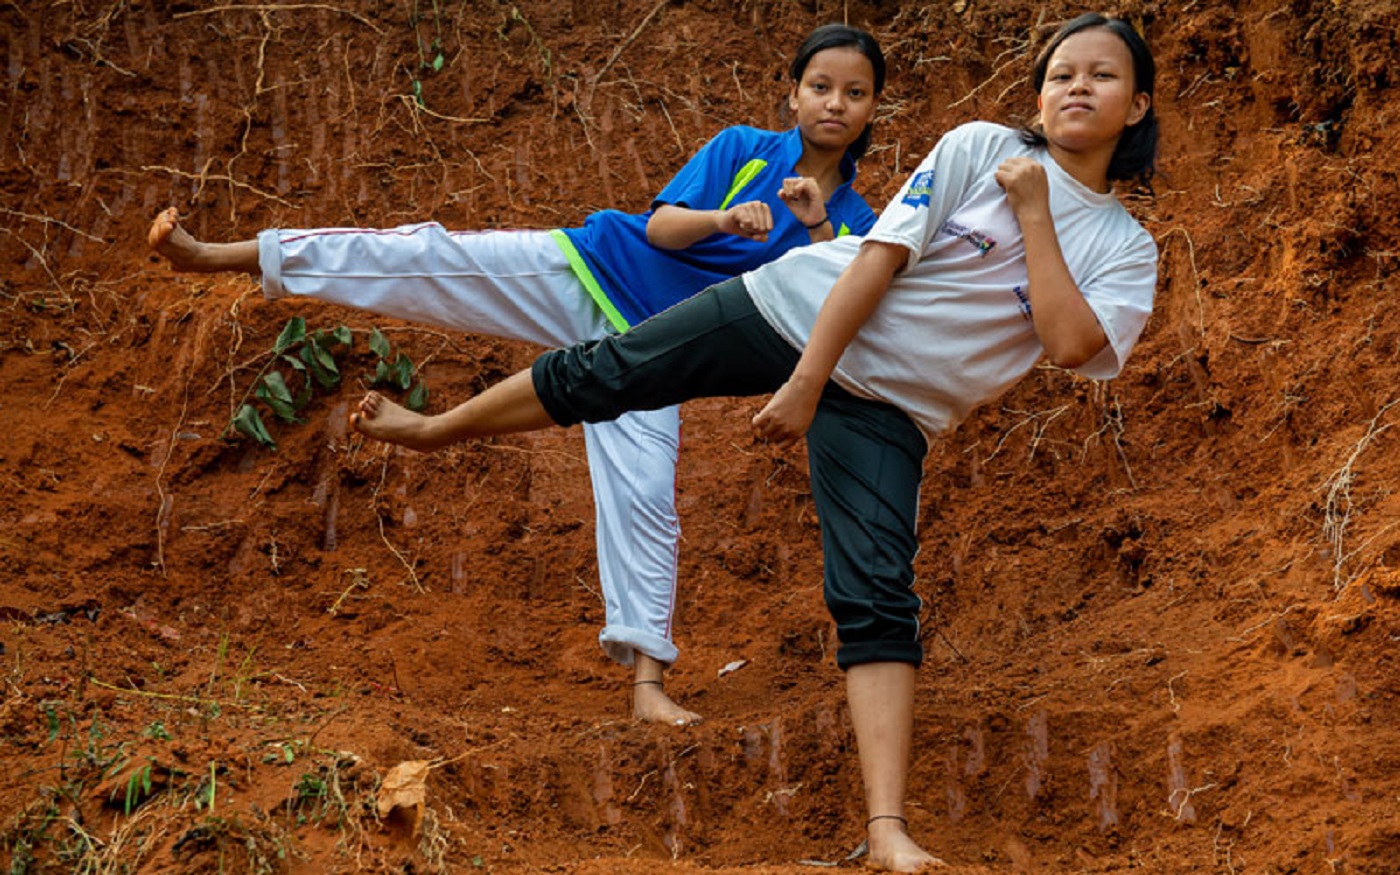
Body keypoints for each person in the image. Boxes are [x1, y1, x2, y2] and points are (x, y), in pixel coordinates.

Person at [346, 12, 1160, 870]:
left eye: (1100, 76)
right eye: (1061, 72)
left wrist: (1034, 211)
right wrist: (808, 375)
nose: (1076, 86)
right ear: (1037, 93)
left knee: (878, 594)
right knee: (616, 368)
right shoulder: (976, 146)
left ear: (1137, 106)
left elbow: (1071, 346)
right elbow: (874, 260)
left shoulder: (1122, 246)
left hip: (898, 405)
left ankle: (885, 831)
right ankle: (437, 429)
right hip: (799, 309)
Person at [148, 24, 887, 727]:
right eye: (821, 86)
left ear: (872, 108)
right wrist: (725, 221)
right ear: (792, 93)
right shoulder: (744, 150)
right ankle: (221, 255)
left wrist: (818, 225)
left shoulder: (857, 223)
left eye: (854, 93)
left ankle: (647, 686)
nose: (835, 103)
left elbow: (818, 304)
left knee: (645, 496)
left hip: (660, 353)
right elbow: (661, 227)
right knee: (427, 254)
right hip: (593, 268)